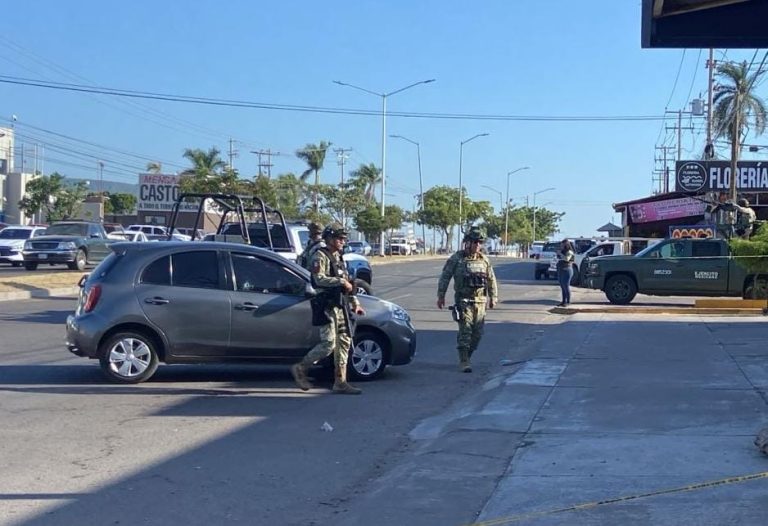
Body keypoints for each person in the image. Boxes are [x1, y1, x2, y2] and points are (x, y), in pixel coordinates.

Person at [291, 224, 366, 394]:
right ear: (329, 239)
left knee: (344, 342)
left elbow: (347, 283)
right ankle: (301, 368)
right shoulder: (320, 256)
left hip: (341, 305)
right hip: (326, 305)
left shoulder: (339, 257)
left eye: (343, 239)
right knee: (329, 343)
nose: (342, 241)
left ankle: (340, 381)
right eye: (339, 238)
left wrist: (355, 303)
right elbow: (318, 279)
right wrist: (340, 282)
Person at [436, 226, 498, 373]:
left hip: (480, 302)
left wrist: (493, 297)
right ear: (467, 242)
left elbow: (491, 279)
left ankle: (468, 355)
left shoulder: (484, 260)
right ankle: (464, 360)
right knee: (466, 331)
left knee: (477, 335)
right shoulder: (457, 259)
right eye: (475, 242)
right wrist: (441, 295)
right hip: (464, 302)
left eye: (480, 243)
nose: (477, 245)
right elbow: (445, 277)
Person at [556, 239, 575, 307]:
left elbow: (567, 259)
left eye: (562, 244)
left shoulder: (569, 252)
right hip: (561, 269)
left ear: (566, 245)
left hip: (567, 269)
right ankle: (563, 301)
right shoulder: (562, 251)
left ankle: (568, 301)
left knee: (566, 286)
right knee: (562, 286)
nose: (561, 246)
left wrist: (560, 254)